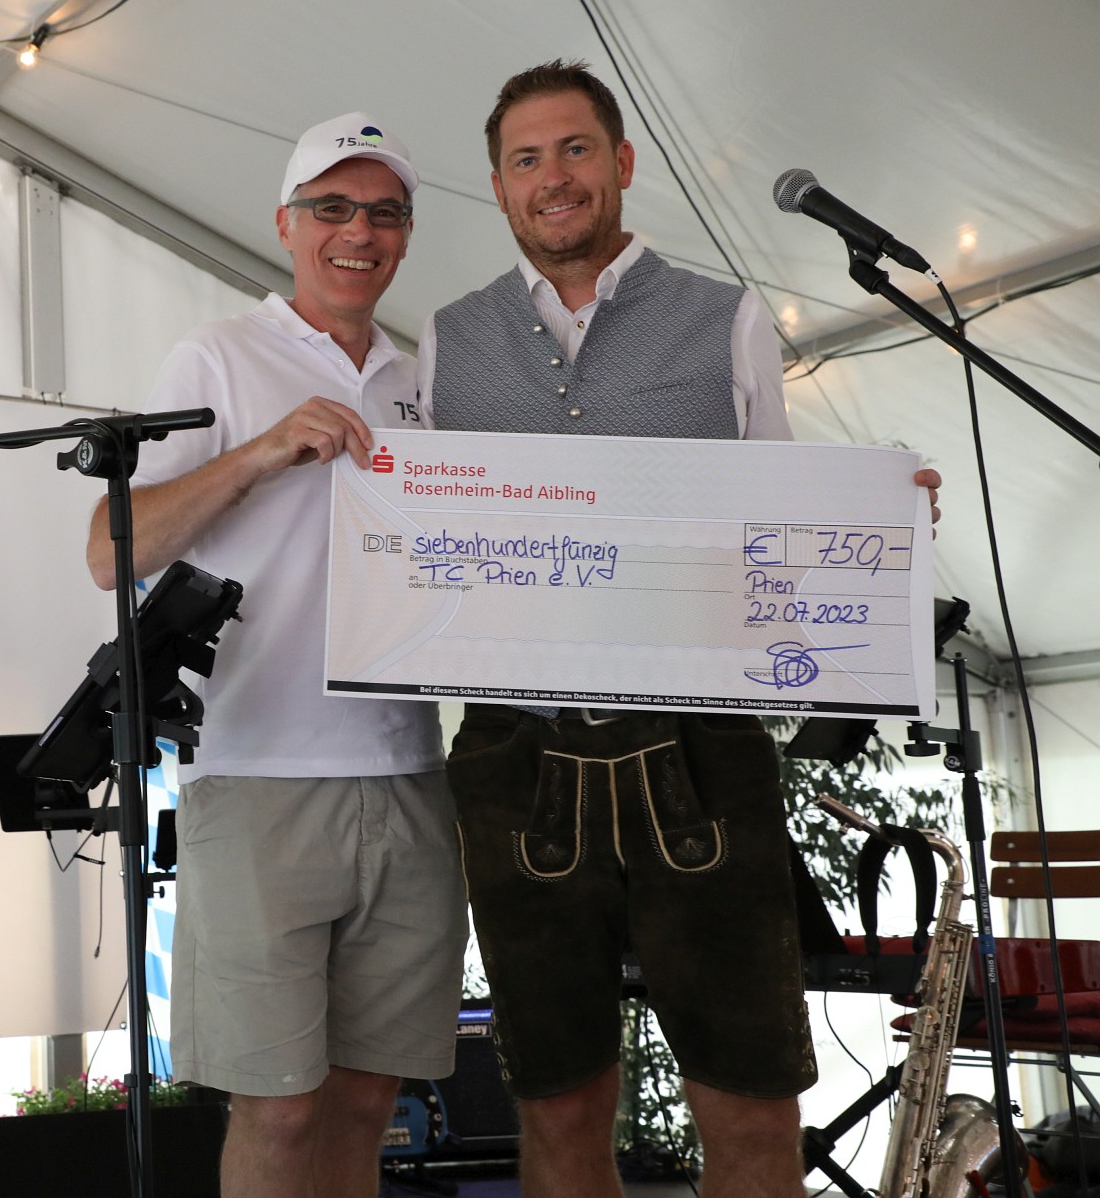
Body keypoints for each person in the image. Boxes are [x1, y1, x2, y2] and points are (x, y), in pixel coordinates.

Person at [420, 61, 942, 1198]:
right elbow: (423, 545)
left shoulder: (728, 315)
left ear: (620, 161)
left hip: (701, 748)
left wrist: (877, 529)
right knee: (557, 1114)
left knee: (752, 1114)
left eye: (574, 149)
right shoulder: (447, 338)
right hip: (517, 754)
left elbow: (782, 520)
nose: (552, 177)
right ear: (499, 188)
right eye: (525, 159)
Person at [85, 114, 466, 1198]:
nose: (359, 232)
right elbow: (111, 549)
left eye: (385, 214)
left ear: (405, 236)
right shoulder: (215, 355)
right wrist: (260, 452)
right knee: (279, 1105)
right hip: (256, 773)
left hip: (409, 770)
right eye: (332, 208)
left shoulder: (427, 380)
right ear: (286, 224)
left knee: (367, 1099)